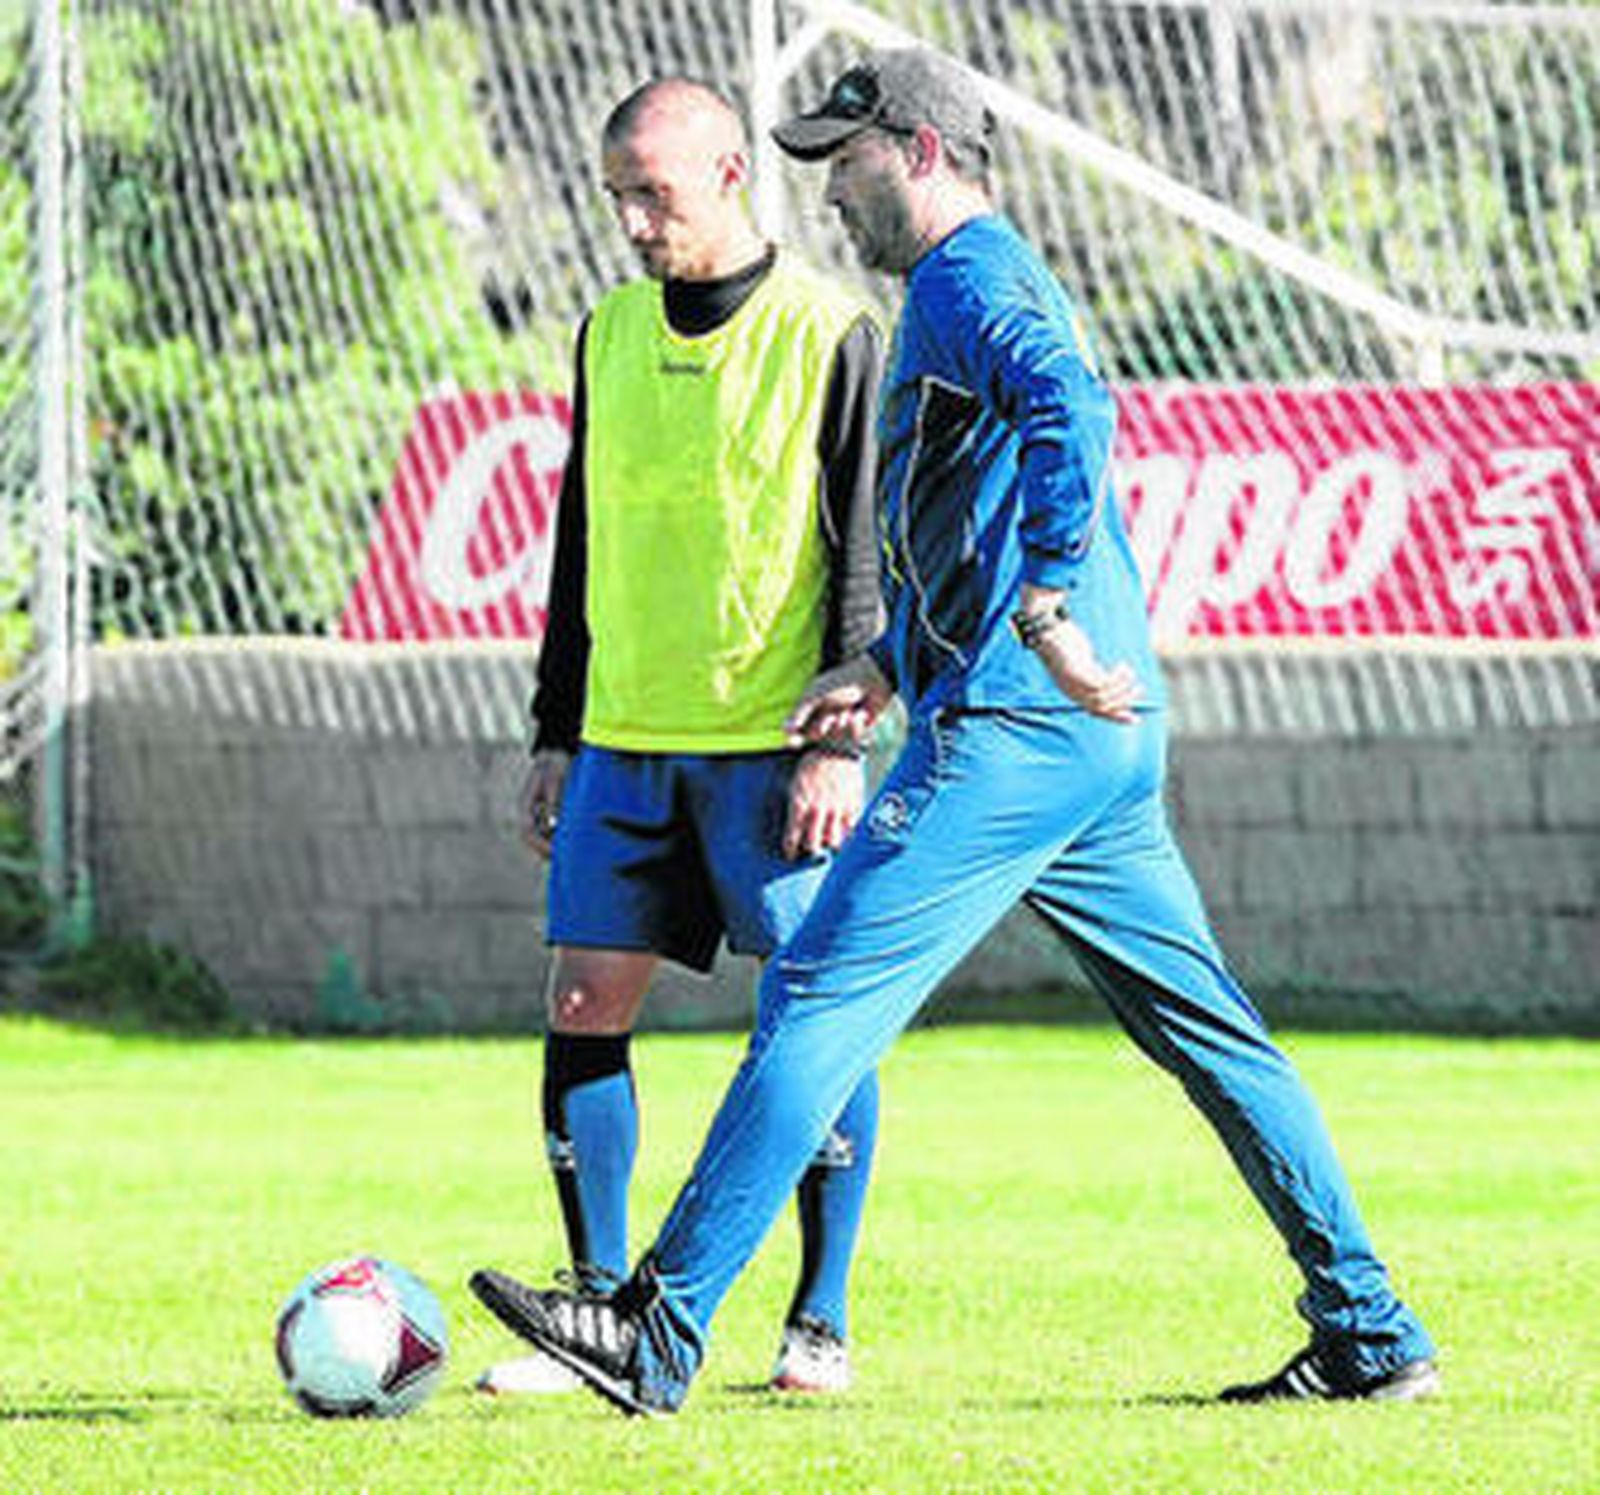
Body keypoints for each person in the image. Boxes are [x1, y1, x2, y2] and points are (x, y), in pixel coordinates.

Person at [470, 48, 1439, 1415]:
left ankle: (657, 1331)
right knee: (1207, 1032)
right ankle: (1370, 1328)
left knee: (813, 996)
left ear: (919, 155)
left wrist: (1044, 602)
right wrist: (881, 661)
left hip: (1014, 729)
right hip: (1088, 743)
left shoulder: (971, 280)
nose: (836, 194)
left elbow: (1071, 410)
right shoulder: (960, 285)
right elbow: (959, 514)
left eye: (849, 165)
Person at [473, 76, 886, 1398]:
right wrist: (553, 728)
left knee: (812, 1017)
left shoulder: (832, 330)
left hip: (772, 749)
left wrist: (838, 736)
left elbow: (865, 550)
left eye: (652, 195)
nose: (635, 225)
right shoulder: (604, 334)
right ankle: (592, 1315)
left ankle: (816, 1322)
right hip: (620, 739)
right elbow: (580, 539)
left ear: (725, 175)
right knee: (584, 1004)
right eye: (617, 201)